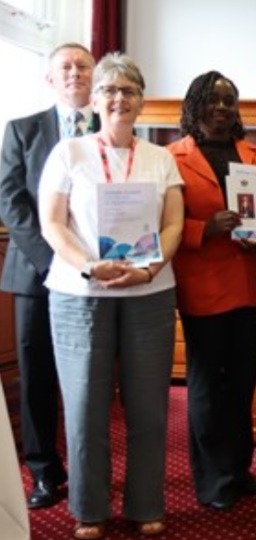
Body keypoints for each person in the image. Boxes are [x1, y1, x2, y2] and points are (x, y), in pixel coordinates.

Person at [37, 52, 184, 540]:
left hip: (150, 292)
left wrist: (154, 266)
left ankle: (145, 504)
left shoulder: (161, 158)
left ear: (142, 102)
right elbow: (52, 222)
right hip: (80, 293)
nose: (119, 99)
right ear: (95, 99)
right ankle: (89, 509)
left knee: (148, 406)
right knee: (84, 406)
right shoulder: (69, 153)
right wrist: (87, 265)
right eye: (110, 90)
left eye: (129, 91)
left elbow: (174, 222)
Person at [0, 42, 97, 510]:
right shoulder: (21, 130)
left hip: (97, 275)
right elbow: (12, 205)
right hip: (36, 273)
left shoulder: (111, 130)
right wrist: (54, 259)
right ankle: (43, 471)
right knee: (37, 375)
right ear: (50, 78)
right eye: (66, 67)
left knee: (89, 377)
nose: (75, 73)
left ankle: (90, 468)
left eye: (83, 66)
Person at [168, 71, 256, 511]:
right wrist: (204, 229)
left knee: (242, 383)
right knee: (208, 387)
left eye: (230, 100)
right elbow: (159, 223)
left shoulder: (255, 156)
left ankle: (239, 468)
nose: (223, 107)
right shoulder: (172, 157)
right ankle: (212, 480)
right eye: (214, 99)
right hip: (202, 288)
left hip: (248, 285)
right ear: (197, 104)